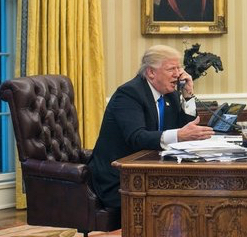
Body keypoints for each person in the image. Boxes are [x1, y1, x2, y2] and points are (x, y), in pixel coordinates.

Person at [88, 45, 214, 208]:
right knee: (181, 202)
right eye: (171, 69)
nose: (178, 75)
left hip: (151, 174)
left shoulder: (171, 94)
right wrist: (179, 135)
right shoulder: (129, 94)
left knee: (196, 193)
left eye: (178, 68)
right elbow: (137, 137)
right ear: (151, 72)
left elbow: (184, 130)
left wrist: (188, 96)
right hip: (119, 179)